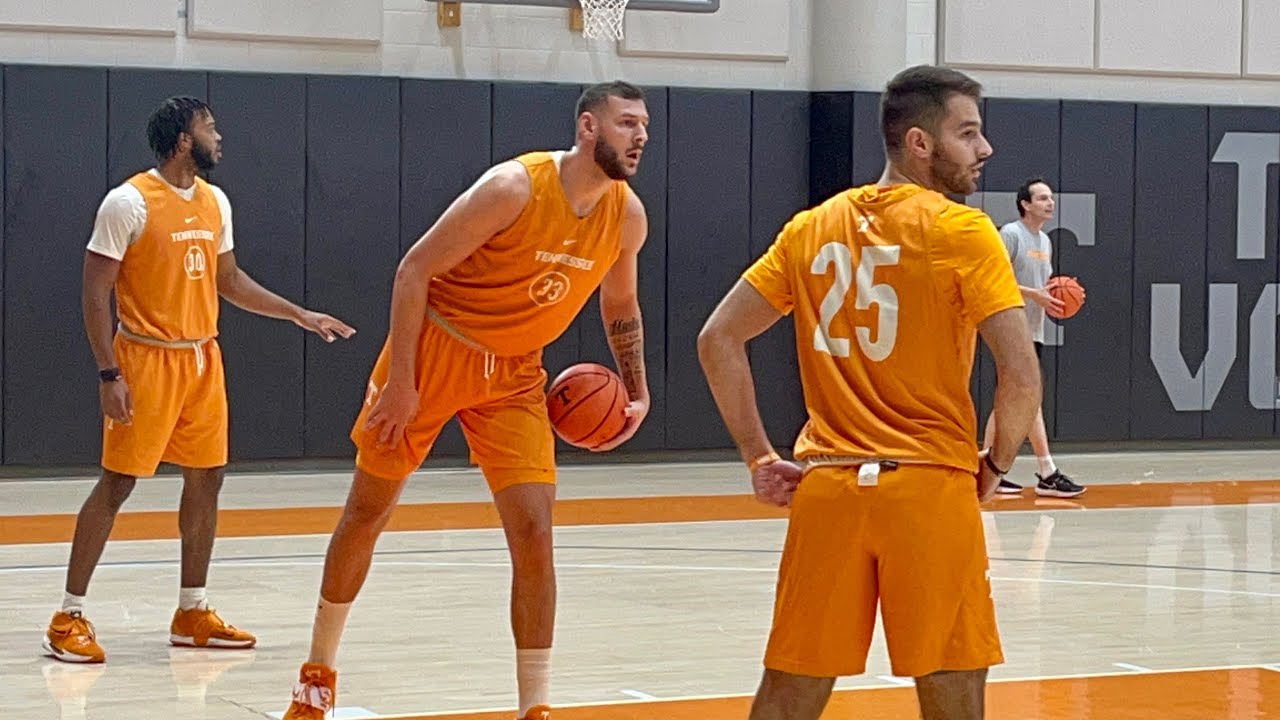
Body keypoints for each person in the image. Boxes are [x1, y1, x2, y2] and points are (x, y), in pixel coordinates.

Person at [280, 80, 652, 720]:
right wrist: (401, 381)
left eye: (645, 125)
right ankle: (316, 681)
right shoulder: (514, 188)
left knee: (536, 536)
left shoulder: (628, 215)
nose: (641, 135)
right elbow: (413, 270)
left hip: (514, 375)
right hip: (435, 349)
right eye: (626, 123)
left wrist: (638, 390)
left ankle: (534, 708)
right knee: (369, 510)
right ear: (588, 128)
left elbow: (618, 302)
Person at [697, 65, 1044, 720]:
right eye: (967, 133)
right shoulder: (963, 231)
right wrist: (996, 464)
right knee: (953, 693)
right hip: (927, 488)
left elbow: (717, 340)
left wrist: (757, 456)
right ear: (920, 143)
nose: (984, 149)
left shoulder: (811, 227)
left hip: (827, 490)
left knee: (789, 693)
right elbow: (1021, 374)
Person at [43, 96, 356, 664]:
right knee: (117, 485)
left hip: (201, 360)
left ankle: (192, 611)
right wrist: (107, 372)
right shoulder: (128, 202)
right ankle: (68, 615)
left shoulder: (215, 202)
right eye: (210, 127)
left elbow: (229, 282)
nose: (220, 136)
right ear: (184, 139)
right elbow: (94, 295)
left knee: (207, 479)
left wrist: (299, 314)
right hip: (144, 358)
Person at [984, 178, 1087, 497]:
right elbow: (992, 280)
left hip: (1034, 327)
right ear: (1025, 204)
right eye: (1042, 198)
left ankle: (987, 469)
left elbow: (1044, 290)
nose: (1050, 203)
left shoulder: (1044, 240)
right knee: (1029, 397)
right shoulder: (1011, 234)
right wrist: (1036, 295)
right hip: (1011, 327)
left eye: (1051, 198)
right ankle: (1047, 470)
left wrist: (1058, 298)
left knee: (1012, 399)